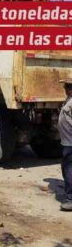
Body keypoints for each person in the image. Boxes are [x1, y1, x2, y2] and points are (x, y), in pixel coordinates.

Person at [58, 79, 72, 211]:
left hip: (70, 143)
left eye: (67, 88)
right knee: (66, 168)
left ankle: (70, 200)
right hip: (67, 142)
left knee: (69, 170)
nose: (65, 90)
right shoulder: (69, 100)